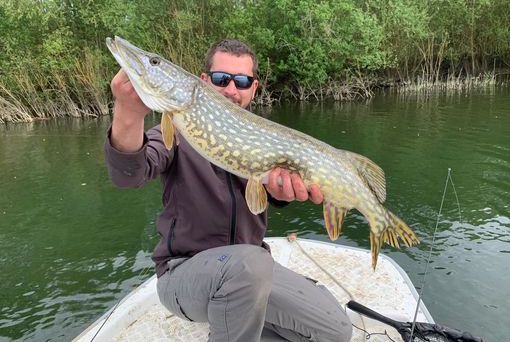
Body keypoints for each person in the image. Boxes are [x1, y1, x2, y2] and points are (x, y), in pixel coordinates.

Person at [104, 39, 352, 341]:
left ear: (254, 87)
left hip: (250, 274)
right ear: (204, 81)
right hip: (185, 274)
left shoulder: (262, 139)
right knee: (251, 264)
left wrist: (283, 194)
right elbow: (129, 174)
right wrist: (128, 112)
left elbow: (270, 192)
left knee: (335, 331)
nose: (232, 90)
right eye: (222, 79)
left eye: (242, 81)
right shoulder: (174, 133)